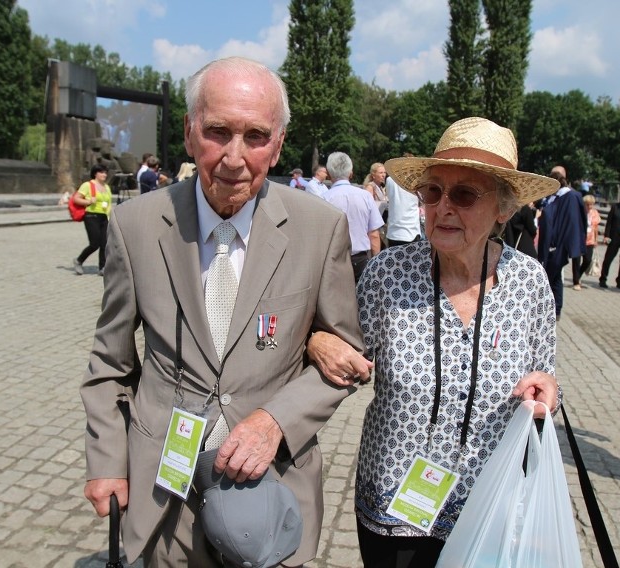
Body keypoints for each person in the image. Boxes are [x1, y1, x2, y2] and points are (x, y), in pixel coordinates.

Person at [79, 56, 365, 567]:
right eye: (218, 132)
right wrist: (106, 460)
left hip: (271, 486)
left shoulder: (320, 229)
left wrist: (274, 421)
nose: (235, 158)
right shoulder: (135, 225)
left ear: (277, 144)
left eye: (256, 136)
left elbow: (345, 359)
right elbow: (111, 365)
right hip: (165, 494)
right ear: (189, 135)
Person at [306, 116, 561, 567]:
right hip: (395, 504)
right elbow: (341, 347)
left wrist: (546, 391)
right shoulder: (387, 275)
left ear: (503, 208)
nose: (443, 207)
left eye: (464, 194)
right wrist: (317, 342)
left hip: (490, 503)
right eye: (432, 192)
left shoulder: (529, 280)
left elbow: (545, 371)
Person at [323, 152, 385, 282]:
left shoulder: (324, 199)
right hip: (360, 259)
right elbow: (374, 234)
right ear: (351, 173)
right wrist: (376, 263)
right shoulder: (365, 196)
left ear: (328, 173)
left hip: (333, 260)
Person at [537, 169, 586, 319]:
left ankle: (548, 309)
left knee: (550, 277)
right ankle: (556, 309)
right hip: (555, 245)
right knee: (557, 278)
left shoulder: (569, 197)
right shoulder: (558, 197)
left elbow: (572, 222)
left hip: (557, 245)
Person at [72, 163, 112, 276]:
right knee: (95, 243)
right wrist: (88, 201)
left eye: (105, 172)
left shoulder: (106, 187)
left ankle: (103, 267)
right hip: (91, 216)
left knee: (105, 243)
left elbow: (109, 202)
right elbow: (76, 199)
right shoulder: (88, 185)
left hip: (104, 217)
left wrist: (110, 215)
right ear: (95, 173)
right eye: (102, 172)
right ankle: (79, 260)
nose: (104, 175)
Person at [384, 157, 421, 247]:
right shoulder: (416, 181)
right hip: (412, 231)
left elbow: (389, 197)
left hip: (394, 231)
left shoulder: (389, 180)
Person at [577, 193, 602, 287]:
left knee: (587, 260)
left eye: (591, 204)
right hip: (580, 239)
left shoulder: (594, 213)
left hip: (590, 239)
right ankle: (576, 279)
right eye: (588, 204)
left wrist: (596, 240)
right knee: (577, 259)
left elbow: (596, 227)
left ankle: (578, 274)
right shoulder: (579, 212)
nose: (590, 206)